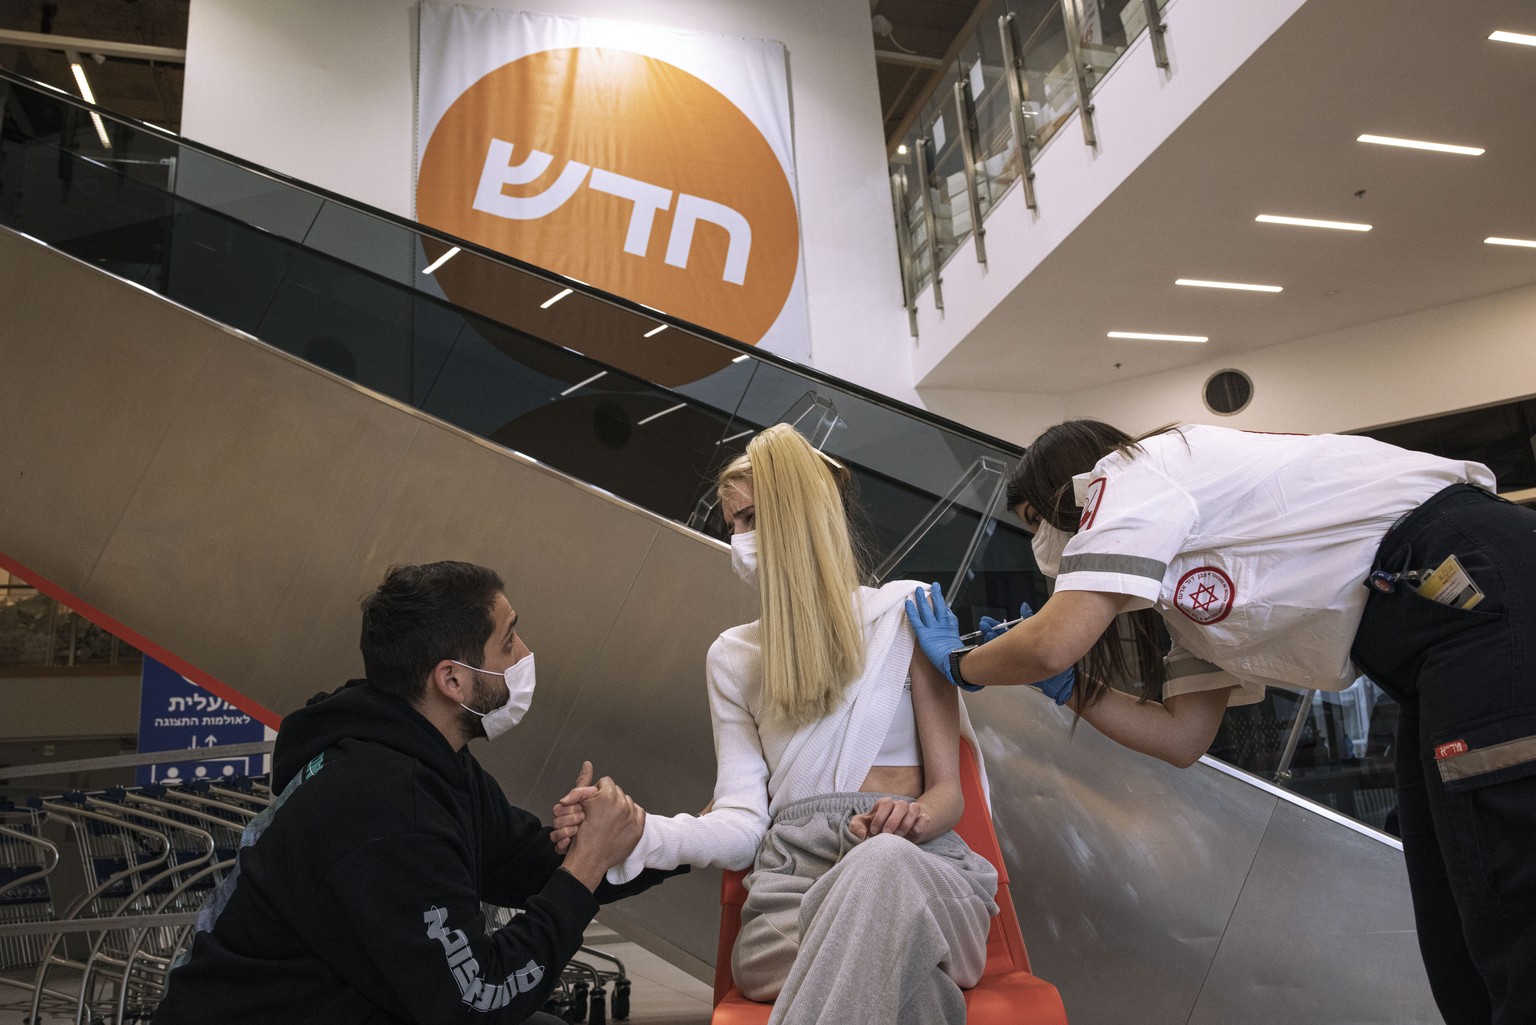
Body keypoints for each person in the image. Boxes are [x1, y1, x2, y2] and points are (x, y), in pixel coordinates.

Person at [904, 419, 1535, 1025]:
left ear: (1068, 493)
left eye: (1037, 524)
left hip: (1472, 589)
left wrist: (963, 664)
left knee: (1509, 898)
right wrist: (1071, 691)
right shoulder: (1183, 587)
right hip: (1430, 639)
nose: (1044, 549)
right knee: (1455, 915)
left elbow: (1051, 641)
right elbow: (1182, 738)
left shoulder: (1132, 473)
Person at [556, 424, 997, 1025]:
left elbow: (949, 792)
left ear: (802, 516)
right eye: (732, 524)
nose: (738, 540)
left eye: (751, 520)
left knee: (880, 870)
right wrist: (642, 835)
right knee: (902, 975)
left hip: (919, 872)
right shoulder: (731, 657)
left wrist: (913, 817)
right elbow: (742, 821)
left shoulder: (904, 613)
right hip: (791, 898)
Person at [154, 560, 676, 1025]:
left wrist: (692, 837)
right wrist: (583, 867)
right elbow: (478, 998)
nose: (525, 654)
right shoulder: (386, 804)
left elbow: (524, 860)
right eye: (509, 640)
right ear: (452, 680)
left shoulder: (426, 761)